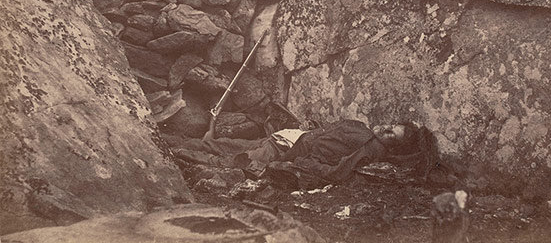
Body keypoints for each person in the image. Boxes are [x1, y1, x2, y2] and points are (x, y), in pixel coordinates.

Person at [168, 118, 439, 189]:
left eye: (392, 135)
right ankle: (162, 141)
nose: (386, 130)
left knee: (222, 158)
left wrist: (300, 163)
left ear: (393, 146)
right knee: (222, 144)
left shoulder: (370, 149)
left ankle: (167, 153)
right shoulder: (362, 130)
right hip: (285, 138)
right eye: (392, 126)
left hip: (283, 152)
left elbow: (337, 172)